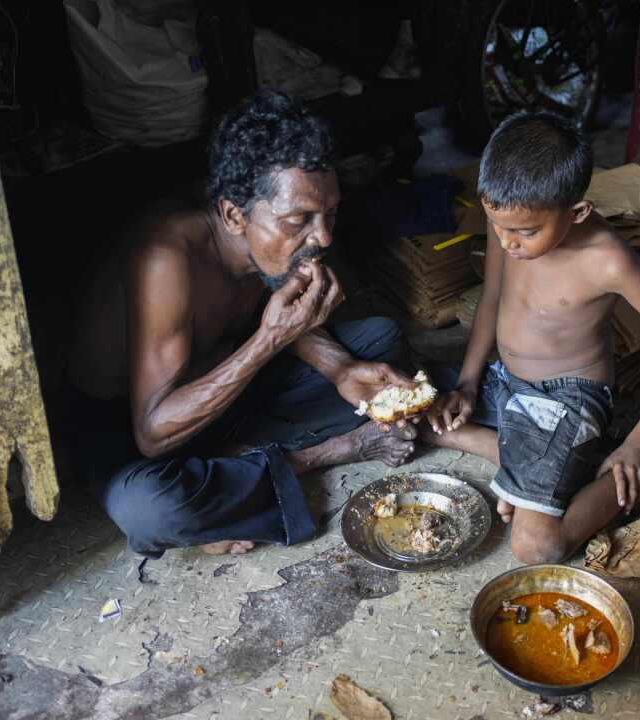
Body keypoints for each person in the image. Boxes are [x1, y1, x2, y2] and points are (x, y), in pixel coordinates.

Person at [66, 91, 418, 558]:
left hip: (225, 387)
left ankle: (237, 471)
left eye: (330, 214)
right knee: (152, 510)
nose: (324, 236)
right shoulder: (166, 259)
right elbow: (153, 432)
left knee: (381, 340)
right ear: (234, 215)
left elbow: (276, 323)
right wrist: (270, 339)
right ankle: (321, 454)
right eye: (300, 220)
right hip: (133, 430)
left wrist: (339, 369)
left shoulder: (267, 238)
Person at [421, 112, 640, 564]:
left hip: (568, 401)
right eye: (498, 226)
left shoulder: (607, 260)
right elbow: (491, 298)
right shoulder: (508, 222)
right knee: (416, 416)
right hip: (505, 382)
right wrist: (469, 382)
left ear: (577, 213)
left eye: (525, 232)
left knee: (537, 546)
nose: (507, 241)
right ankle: (530, 464)